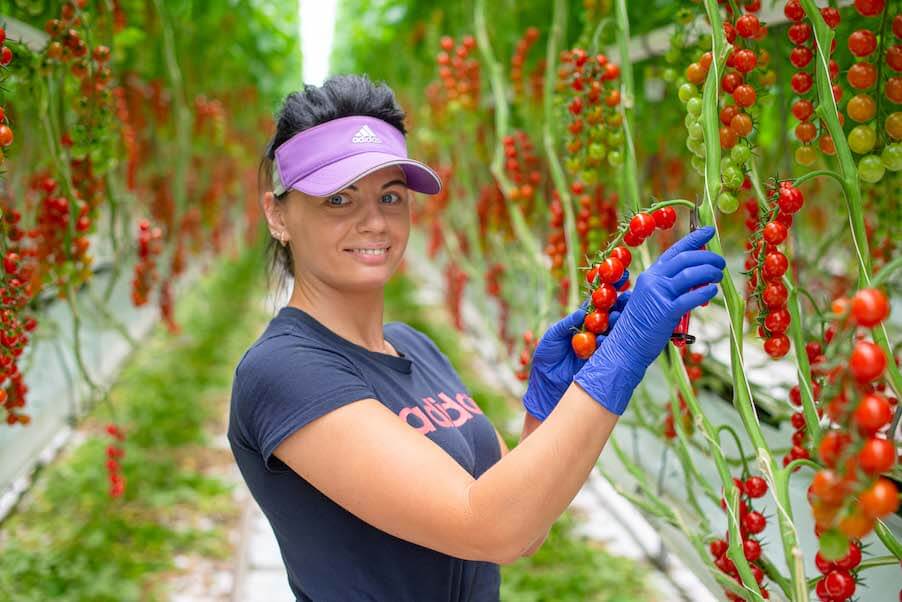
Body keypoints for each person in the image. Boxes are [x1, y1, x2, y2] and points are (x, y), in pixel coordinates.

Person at [227, 74, 725, 602]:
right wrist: (620, 359)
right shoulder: (282, 371)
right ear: (277, 214)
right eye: (338, 200)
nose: (373, 221)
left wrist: (546, 412)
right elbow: (490, 528)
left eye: (390, 196)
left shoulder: (414, 347)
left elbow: (524, 527)